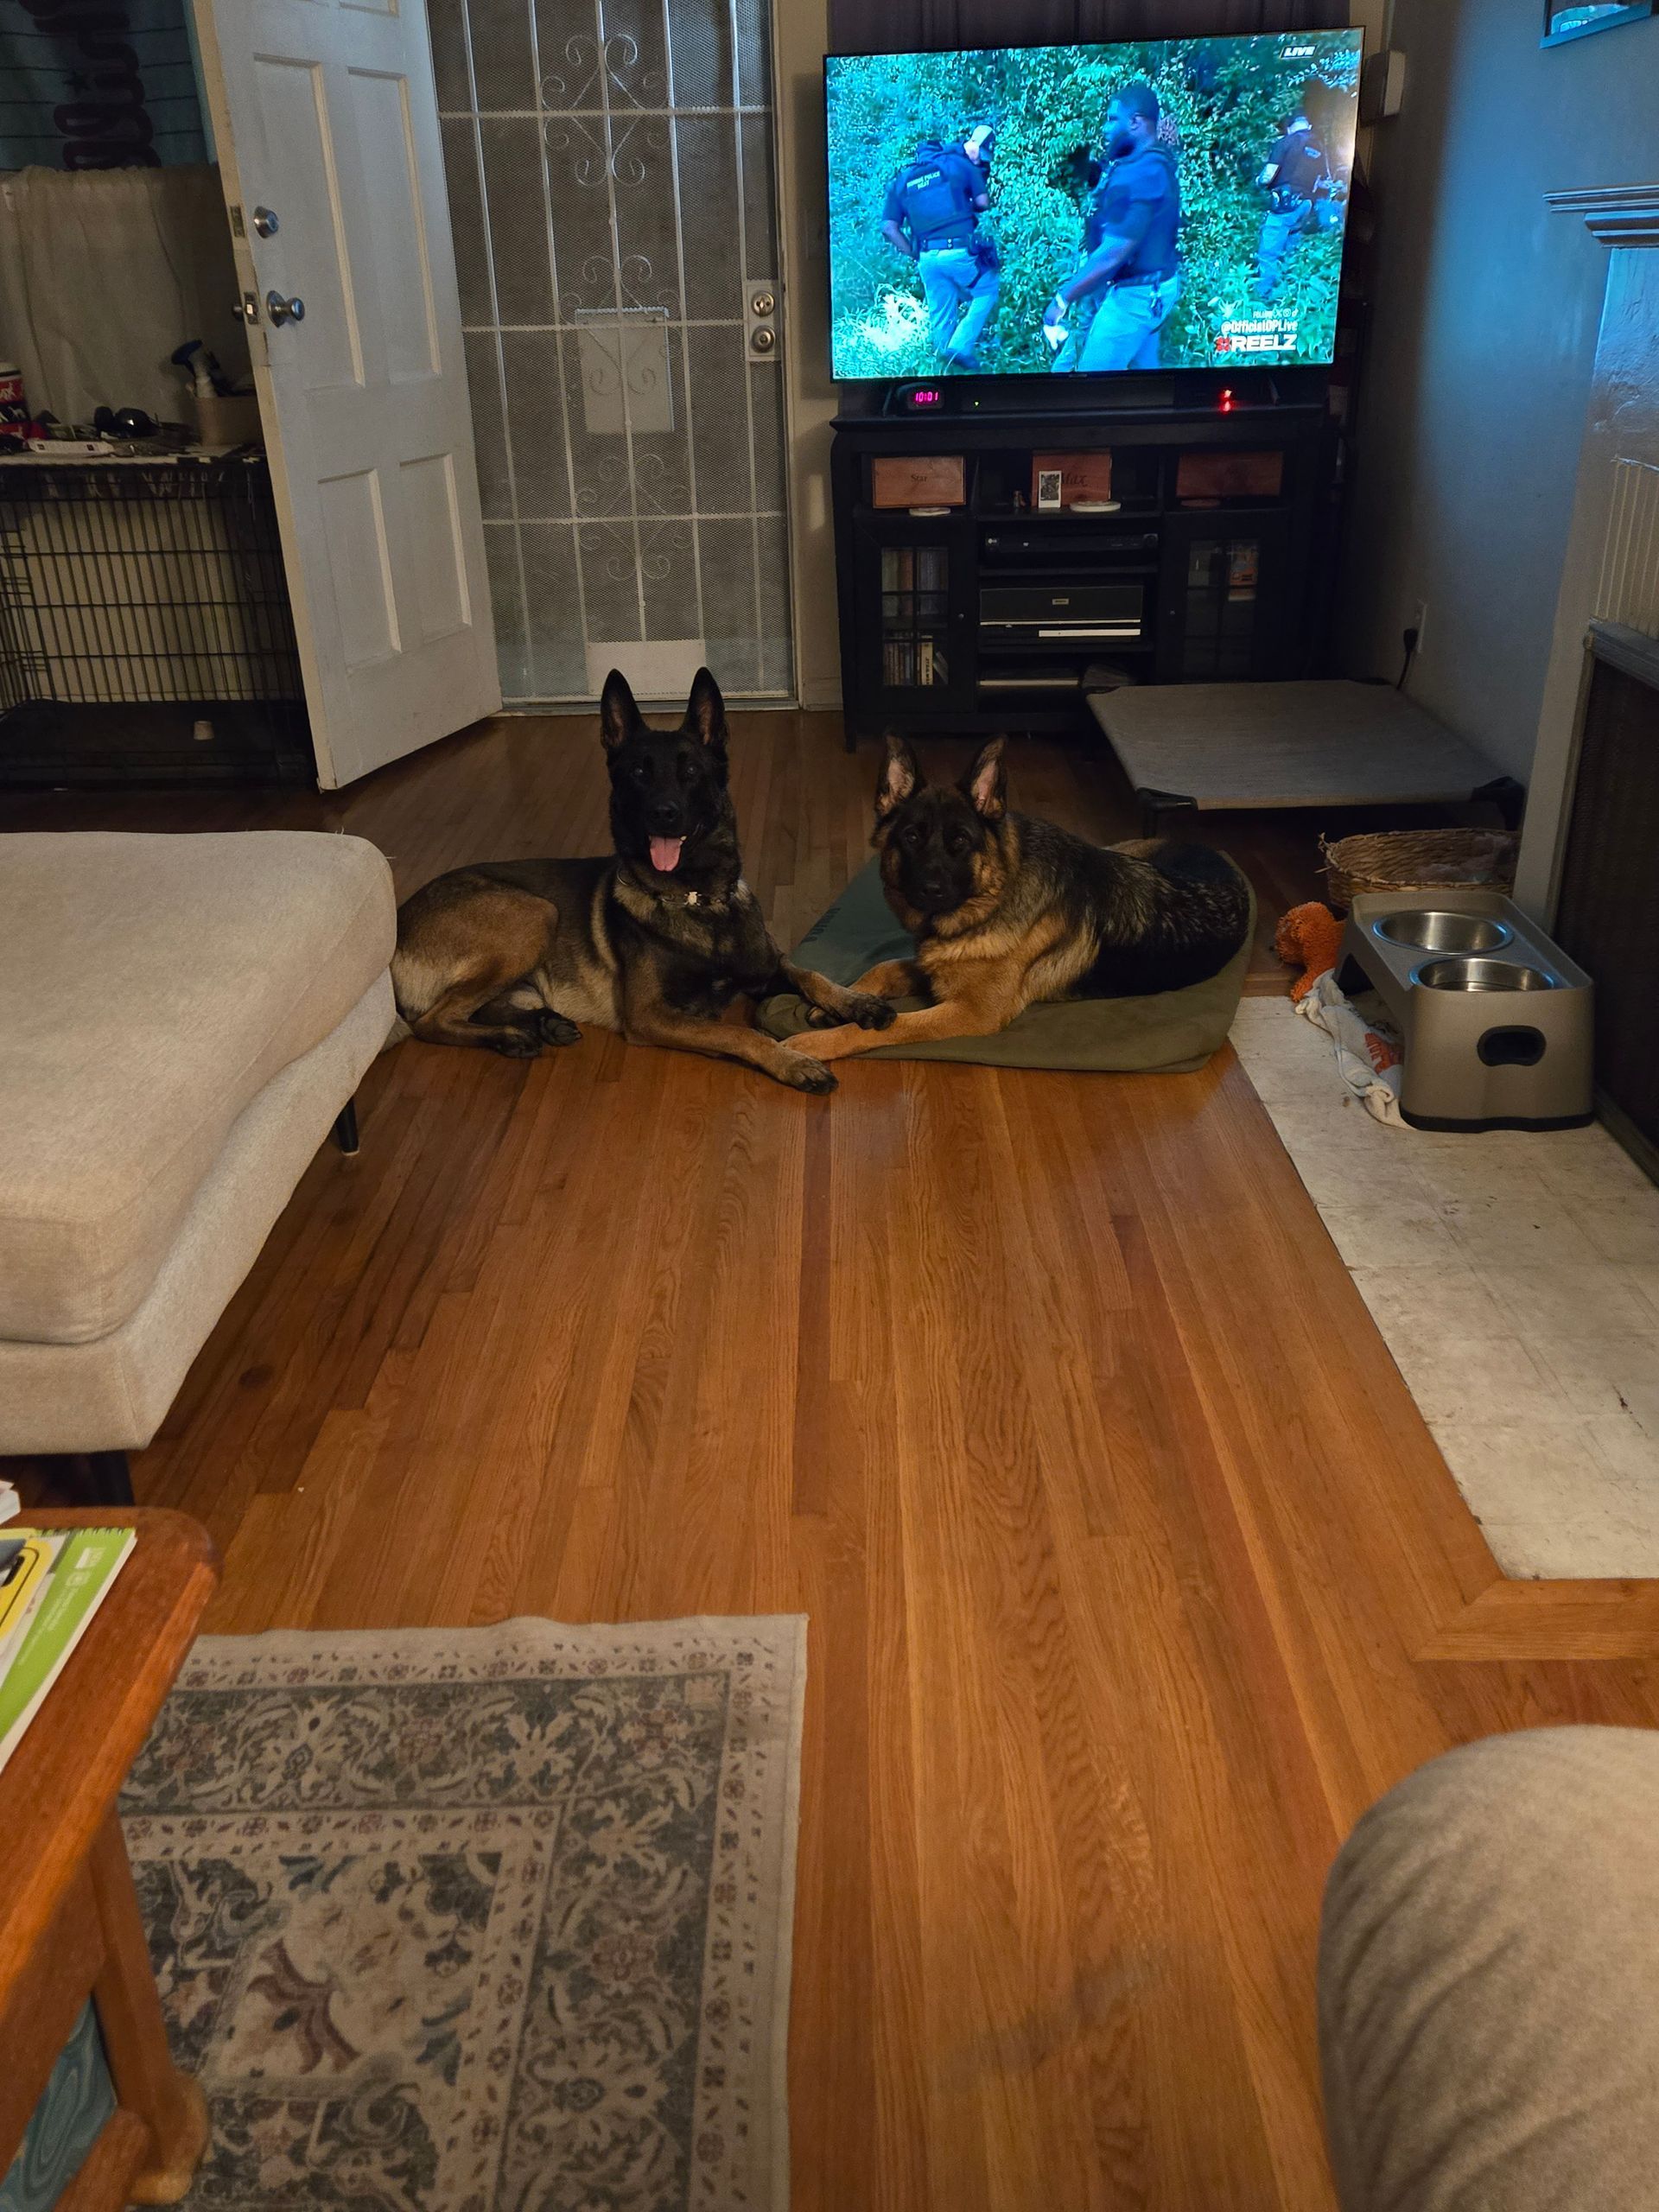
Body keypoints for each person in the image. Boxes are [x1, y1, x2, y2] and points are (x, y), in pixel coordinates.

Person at [1041, 84, 1180, 375]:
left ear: (1136, 122)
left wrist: (1062, 299)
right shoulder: (1151, 161)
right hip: (1151, 288)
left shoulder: (1143, 171)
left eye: (1112, 119)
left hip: (1136, 297)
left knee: (1092, 385)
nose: (1105, 128)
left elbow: (1114, 253)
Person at [881, 130, 1000, 371]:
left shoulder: (901, 181)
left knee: (941, 315)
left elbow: (889, 229)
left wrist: (915, 254)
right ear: (942, 148)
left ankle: (945, 375)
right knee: (988, 289)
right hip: (959, 250)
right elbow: (983, 203)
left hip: (926, 257)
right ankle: (960, 347)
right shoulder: (958, 163)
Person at [1255, 105, 1333, 302]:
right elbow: (1324, 182)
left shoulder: (1286, 142)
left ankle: (1266, 299)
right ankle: (1289, 296)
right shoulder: (1319, 147)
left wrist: (1258, 181)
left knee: (1269, 252)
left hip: (1284, 204)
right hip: (1305, 206)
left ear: (1289, 127)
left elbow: (1268, 176)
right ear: (1308, 125)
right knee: (1291, 250)